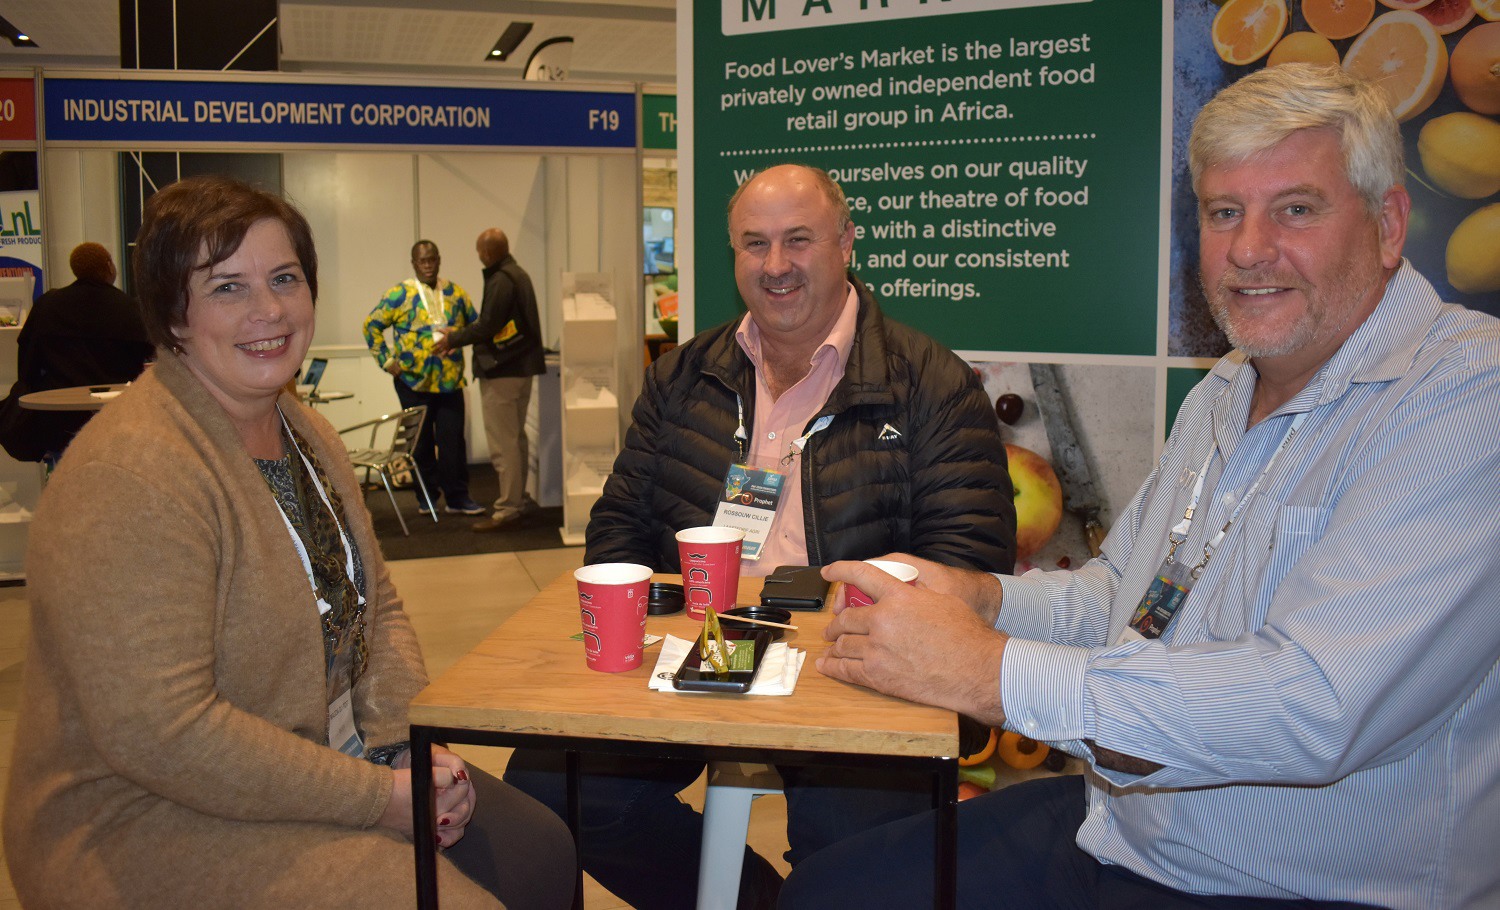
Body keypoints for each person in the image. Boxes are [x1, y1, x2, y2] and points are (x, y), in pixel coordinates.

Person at [780, 65, 1500, 910]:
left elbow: (1315, 705)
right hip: (1124, 828)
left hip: (1293, 887)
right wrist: (985, 600)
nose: (1249, 248)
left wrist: (991, 672)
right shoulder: (1226, 389)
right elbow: (1123, 597)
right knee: (826, 891)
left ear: (1387, 225)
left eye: (1296, 209)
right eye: (1224, 213)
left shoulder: (1464, 398)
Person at [2, 176, 577, 909]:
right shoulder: (130, 475)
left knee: (541, 852)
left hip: (324, 753)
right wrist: (379, 798)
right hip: (149, 813)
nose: (269, 310)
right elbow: (165, 734)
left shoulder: (305, 430)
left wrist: (405, 748)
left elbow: (379, 607)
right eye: (228, 287)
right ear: (172, 314)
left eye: (284, 278)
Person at [506, 163, 1016, 909]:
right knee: (550, 793)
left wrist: (866, 638)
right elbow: (619, 526)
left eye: (798, 239)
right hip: (709, 641)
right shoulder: (683, 378)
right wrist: (652, 630)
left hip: (855, 663)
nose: (776, 265)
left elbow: (968, 561)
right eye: (755, 244)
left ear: (846, 242)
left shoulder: (933, 385)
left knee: (856, 857)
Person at [433, 227, 545, 532]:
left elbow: (487, 325)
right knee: (516, 438)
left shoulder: (501, 279)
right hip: (520, 369)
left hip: (502, 371)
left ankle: (508, 508)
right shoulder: (518, 274)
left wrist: (452, 338)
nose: (479, 256)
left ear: (487, 252)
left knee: (503, 443)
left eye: (479, 251)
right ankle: (518, 499)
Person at [364, 240, 486, 516]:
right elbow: (371, 325)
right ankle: (426, 498)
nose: (428, 265)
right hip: (412, 382)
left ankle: (458, 498)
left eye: (432, 260)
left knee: (453, 441)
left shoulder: (456, 293)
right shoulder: (399, 294)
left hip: (449, 382)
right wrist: (387, 361)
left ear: (439, 260)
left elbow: (477, 326)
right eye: (423, 261)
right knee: (420, 444)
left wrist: (459, 336)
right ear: (414, 263)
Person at [0, 242, 152, 462]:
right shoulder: (129, 309)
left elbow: (27, 363)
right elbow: (150, 360)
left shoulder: (48, 306)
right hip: (117, 418)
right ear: (109, 266)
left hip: (59, 421)